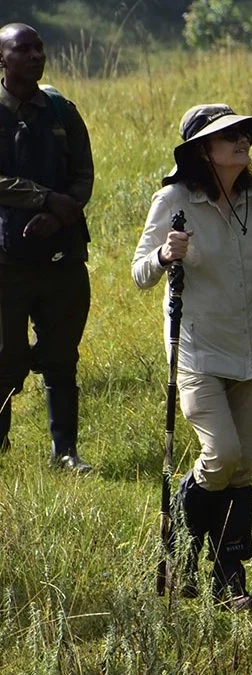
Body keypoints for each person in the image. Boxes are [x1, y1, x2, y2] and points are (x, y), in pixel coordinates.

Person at [132, 104, 252, 611]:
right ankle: (179, 552)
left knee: (243, 466)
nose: (241, 141)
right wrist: (165, 255)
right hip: (198, 350)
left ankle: (229, 579)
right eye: (228, 136)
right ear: (203, 150)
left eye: (244, 133)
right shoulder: (174, 200)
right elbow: (140, 271)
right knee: (221, 455)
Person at [0, 23, 94, 472]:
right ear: (2, 59)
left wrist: (58, 214)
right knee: (5, 356)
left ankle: (65, 453)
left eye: (39, 48)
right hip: (6, 261)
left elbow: (83, 175)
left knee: (61, 355)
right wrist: (41, 197)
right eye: (23, 49)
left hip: (63, 255)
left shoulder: (60, 109)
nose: (36, 55)